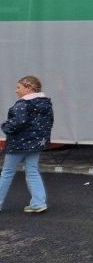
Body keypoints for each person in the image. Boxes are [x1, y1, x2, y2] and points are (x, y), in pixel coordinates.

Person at [0, 76, 55, 214]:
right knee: (32, 171)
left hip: (17, 145)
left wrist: (5, 126)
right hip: (36, 144)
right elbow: (49, 123)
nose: (16, 91)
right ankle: (38, 203)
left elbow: (17, 123)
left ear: (29, 87)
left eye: (19, 87)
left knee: (7, 173)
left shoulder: (22, 104)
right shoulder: (46, 105)